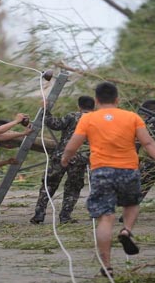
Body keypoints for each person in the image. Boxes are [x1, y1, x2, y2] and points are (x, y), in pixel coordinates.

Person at [61, 82, 155, 279]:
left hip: (101, 171)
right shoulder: (132, 117)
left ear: (96, 100)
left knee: (106, 217)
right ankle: (126, 230)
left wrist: (65, 158)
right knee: (131, 204)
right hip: (128, 169)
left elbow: (73, 144)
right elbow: (148, 143)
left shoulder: (88, 118)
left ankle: (107, 266)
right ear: (117, 100)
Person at [30, 95, 95, 225]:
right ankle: (65, 216)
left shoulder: (72, 116)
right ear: (94, 106)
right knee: (73, 187)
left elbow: (55, 124)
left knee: (49, 184)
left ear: (79, 106)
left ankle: (39, 214)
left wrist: (45, 110)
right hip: (80, 158)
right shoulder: (97, 120)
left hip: (61, 155)